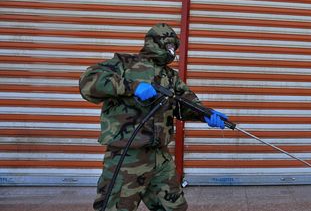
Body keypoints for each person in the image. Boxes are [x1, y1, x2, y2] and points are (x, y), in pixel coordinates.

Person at [79, 23, 228, 211]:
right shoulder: (124, 63)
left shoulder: (170, 77)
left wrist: (206, 114)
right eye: (168, 46)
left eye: (174, 47)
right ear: (154, 43)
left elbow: (185, 103)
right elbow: (88, 82)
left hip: (160, 157)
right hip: (127, 157)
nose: (171, 51)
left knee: (174, 207)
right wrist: (131, 87)